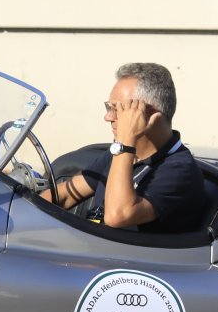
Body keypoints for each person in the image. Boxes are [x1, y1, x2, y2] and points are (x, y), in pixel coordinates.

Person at [40, 62, 208, 233]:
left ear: (150, 114)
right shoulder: (120, 151)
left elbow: (117, 216)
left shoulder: (179, 169)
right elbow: (65, 195)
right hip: (91, 244)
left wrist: (125, 141)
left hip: (126, 251)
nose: (107, 117)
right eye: (108, 107)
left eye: (117, 109)